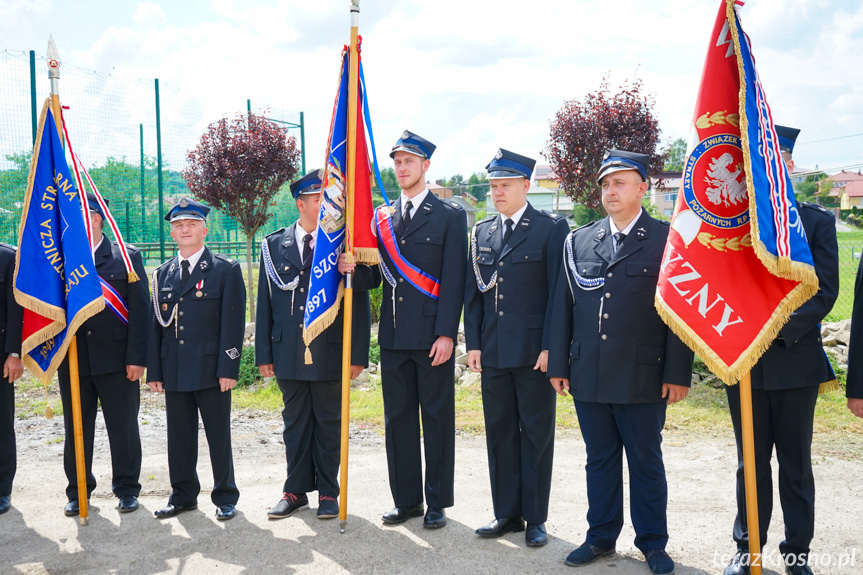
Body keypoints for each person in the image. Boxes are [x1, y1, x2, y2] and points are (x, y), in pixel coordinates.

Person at [548, 149, 693, 575]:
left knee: (646, 461)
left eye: (621, 183)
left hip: (644, 376)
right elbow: (564, 308)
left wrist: (677, 373)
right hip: (589, 374)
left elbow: (679, 313)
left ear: (642, 188)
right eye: (605, 184)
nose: (611, 191)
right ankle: (600, 536)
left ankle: (652, 543)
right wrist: (559, 364)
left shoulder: (668, 240)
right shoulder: (579, 240)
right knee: (600, 460)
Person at [721, 126, 839, 575]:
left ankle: (797, 553)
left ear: (788, 165)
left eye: (779, 158)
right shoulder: (736, 222)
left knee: (795, 464)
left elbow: (825, 290)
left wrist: (772, 329)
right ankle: (746, 548)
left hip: (795, 361)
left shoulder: (816, 221)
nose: (772, 167)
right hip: (744, 361)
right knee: (748, 462)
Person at [256, 170, 381, 520]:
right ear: (301, 204)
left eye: (330, 199)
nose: (328, 205)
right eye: (318, 200)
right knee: (294, 424)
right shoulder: (272, 244)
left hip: (330, 350)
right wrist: (264, 354)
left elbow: (363, 294)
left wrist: (358, 355)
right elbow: (264, 304)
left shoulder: (343, 244)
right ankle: (294, 491)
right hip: (288, 351)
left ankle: (328, 493)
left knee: (329, 423)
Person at [464, 149, 568, 547]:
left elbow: (559, 295)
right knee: (500, 433)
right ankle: (506, 512)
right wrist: (473, 343)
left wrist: (550, 348)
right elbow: (474, 295)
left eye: (505, 185)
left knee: (536, 435)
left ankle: (536, 518)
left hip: (533, 355)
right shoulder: (482, 232)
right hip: (492, 352)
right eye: (492, 186)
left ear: (526, 186)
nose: (497, 193)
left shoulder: (549, 229)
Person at [376, 130, 467, 529]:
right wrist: (351, 269)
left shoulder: (449, 216)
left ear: (426, 166)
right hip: (394, 338)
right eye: (397, 161)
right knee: (398, 422)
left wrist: (447, 333)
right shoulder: (382, 217)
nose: (401, 168)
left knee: (436, 419)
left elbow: (454, 279)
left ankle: (436, 503)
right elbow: (372, 279)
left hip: (433, 339)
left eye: (409, 161)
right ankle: (407, 500)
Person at [146, 198, 246, 521]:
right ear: (172, 234)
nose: (184, 229)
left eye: (190, 224)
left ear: (205, 229)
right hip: (174, 370)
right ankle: (183, 494)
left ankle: (225, 495)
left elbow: (233, 324)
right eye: (178, 226)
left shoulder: (224, 270)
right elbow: (156, 328)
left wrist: (229, 367)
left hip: (211, 370)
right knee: (178, 436)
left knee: (218, 434)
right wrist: (155, 372)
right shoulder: (163, 274)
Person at [58, 194, 149, 517]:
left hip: (117, 360)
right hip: (73, 360)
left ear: (96, 219)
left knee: (122, 427)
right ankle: (78, 489)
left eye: (77, 215)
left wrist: (137, 358)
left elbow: (141, 313)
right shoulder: (62, 259)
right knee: (76, 428)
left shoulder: (125, 258)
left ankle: (126, 489)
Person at [0, 242, 23, 516]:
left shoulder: (8, 257)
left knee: (2, 425)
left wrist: (14, 353)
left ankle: (2, 489)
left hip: (1, 357)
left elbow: (16, 309)